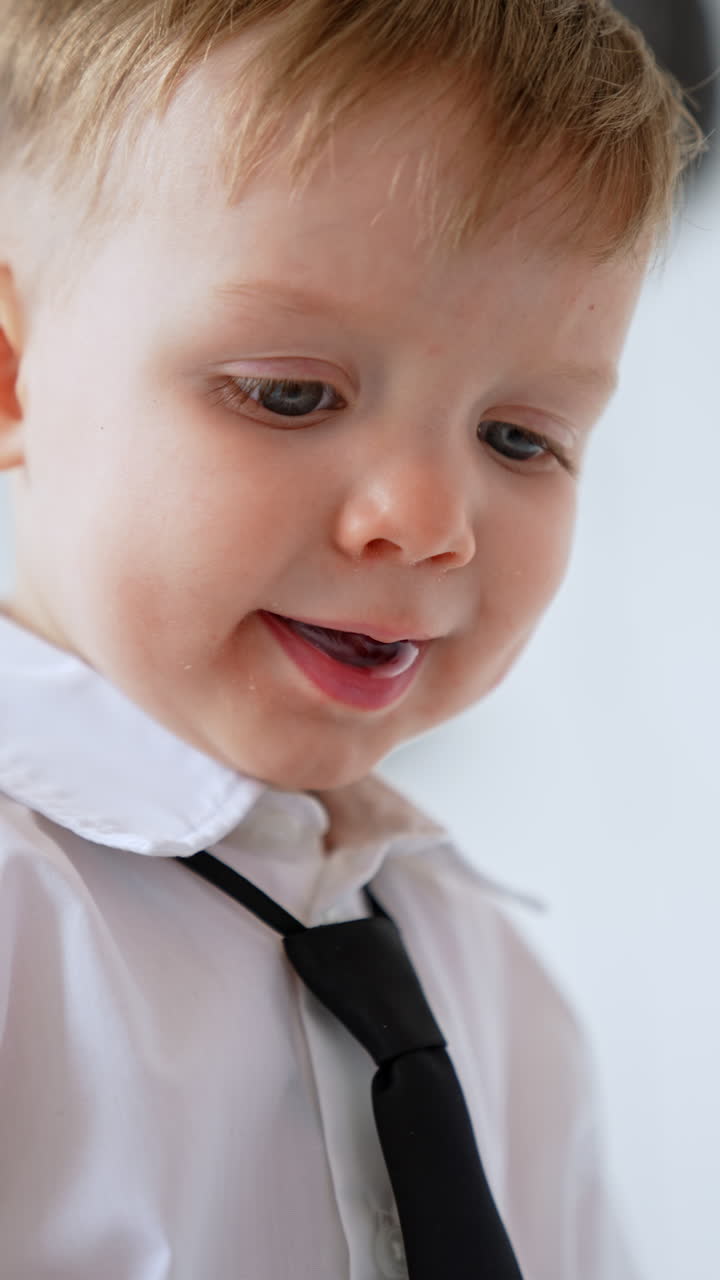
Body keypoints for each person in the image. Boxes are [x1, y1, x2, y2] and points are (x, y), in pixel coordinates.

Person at [0, 2, 702, 1277]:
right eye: (290, 394)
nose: (431, 524)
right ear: (11, 373)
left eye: (519, 437)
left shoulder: (495, 980)